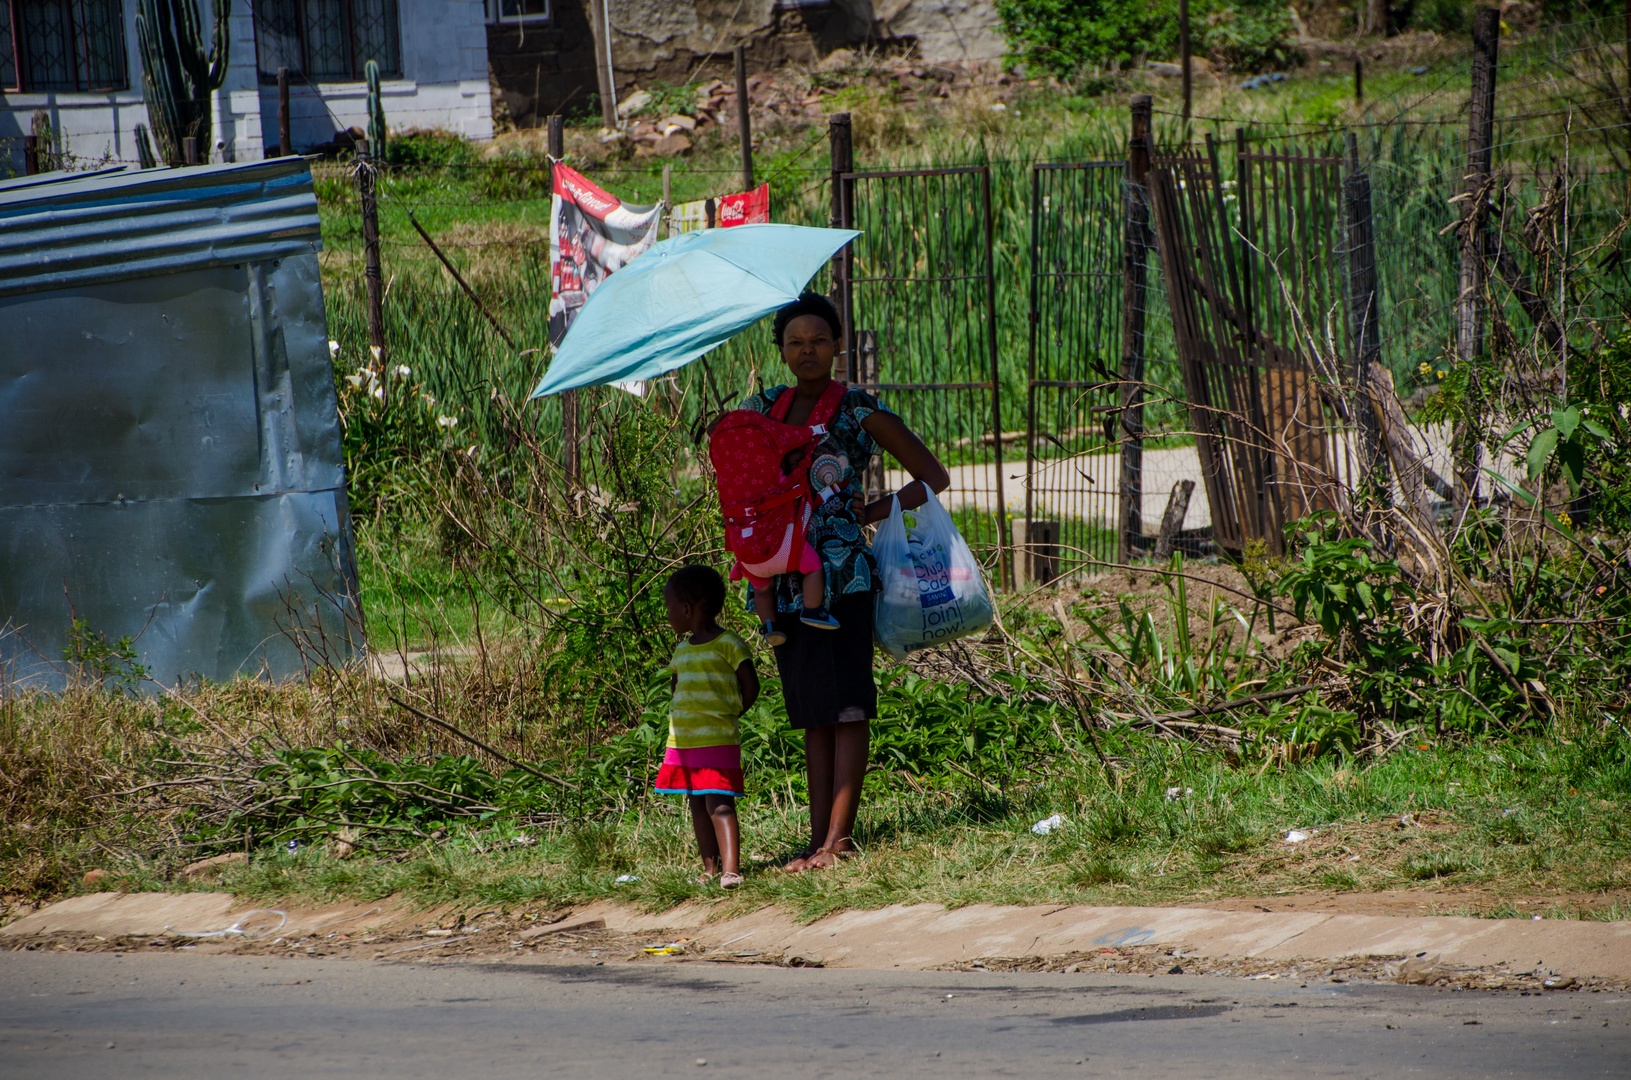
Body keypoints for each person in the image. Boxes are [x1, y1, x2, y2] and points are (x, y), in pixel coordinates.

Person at [742, 292, 950, 873]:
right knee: (813, 711)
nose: (807, 351)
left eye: (819, 340)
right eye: (794, 342)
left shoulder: (857, 410)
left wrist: (868, 512)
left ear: (837, 346)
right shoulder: (762, 411)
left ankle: (840, 840)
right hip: (783, 578)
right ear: (780, 352)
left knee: (848, 707)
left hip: (844, 579)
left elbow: (933, 476)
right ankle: (817, 843)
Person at [655, 564, 760, 888]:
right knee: (697, 805)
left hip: (717, 741)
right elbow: (676, 687)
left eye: (669, 607)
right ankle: (709, 869)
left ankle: (731, 870)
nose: (668, 614)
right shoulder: (681, 650)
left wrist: (730, 716)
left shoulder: (729, 644)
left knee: (719, 804)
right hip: (684, 746)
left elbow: (751, 686)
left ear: (687, 609)